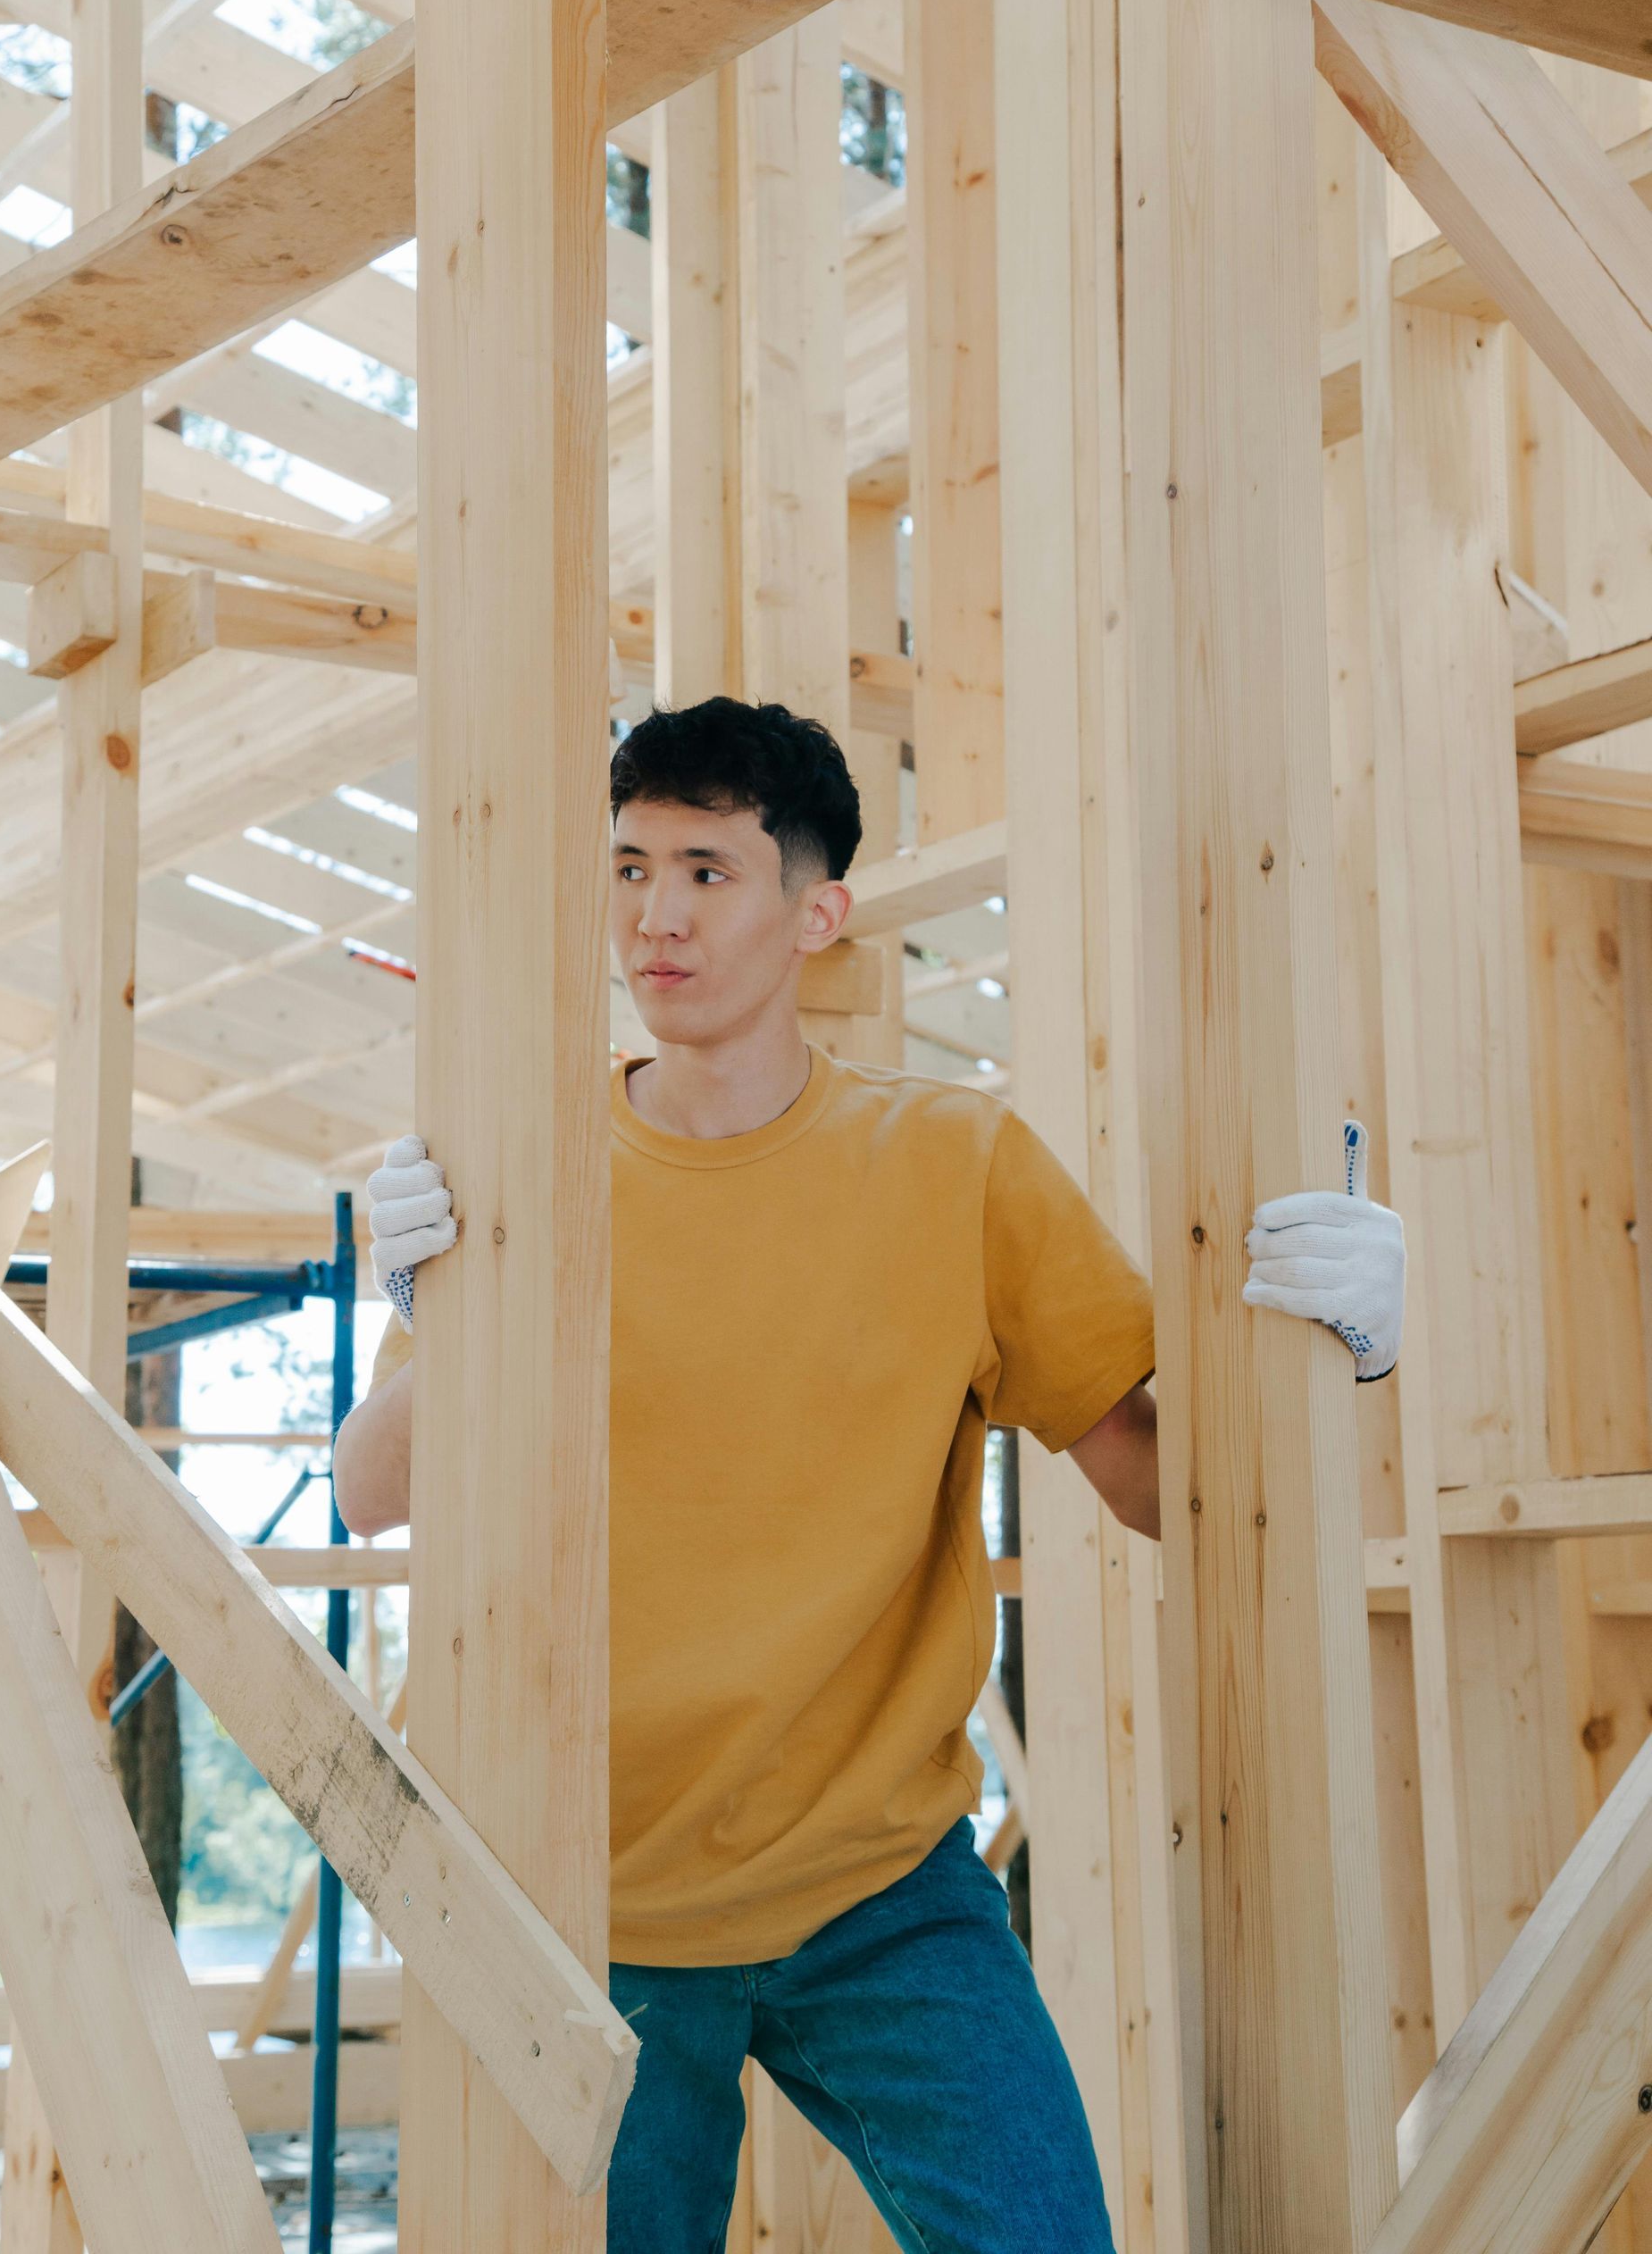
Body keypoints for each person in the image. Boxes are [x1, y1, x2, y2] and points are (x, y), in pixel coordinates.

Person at [333, 696, 1404, 2254]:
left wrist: (1341, 1370)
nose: (655, 915)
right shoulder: (527, 1170)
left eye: (707, 871)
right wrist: (424, 1304)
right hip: (572, 1908)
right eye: (630, 869)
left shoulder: (956, 1168)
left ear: (816, 913)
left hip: (879, 1889)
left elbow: (1155, 1485)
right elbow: (370, 1493)